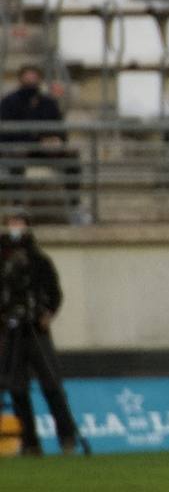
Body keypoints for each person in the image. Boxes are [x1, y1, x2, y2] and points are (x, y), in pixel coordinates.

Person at [0, 209, 83, 457]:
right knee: (16, 388)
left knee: (52, 384)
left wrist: (47, 314)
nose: (15, 226)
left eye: (19, 222)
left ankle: (67, 437)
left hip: (36, 329)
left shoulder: (39, 260)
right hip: (10, 330)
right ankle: (29, 442)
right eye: (12, 222)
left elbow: (54, 293)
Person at [0, 65, 81, 199]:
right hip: (18, 151)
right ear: (20, 80)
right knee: (15, 160)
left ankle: (74, 206)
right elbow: (4, 133)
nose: (31, 83)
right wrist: (34, 140)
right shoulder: (8, 102)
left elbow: (60, 130)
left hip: (45, 150)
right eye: (27, 79)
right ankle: (17, 210)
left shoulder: (48, 103)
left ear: (40, 80)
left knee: (72, 158)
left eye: (34, 79)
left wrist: (57, 140)